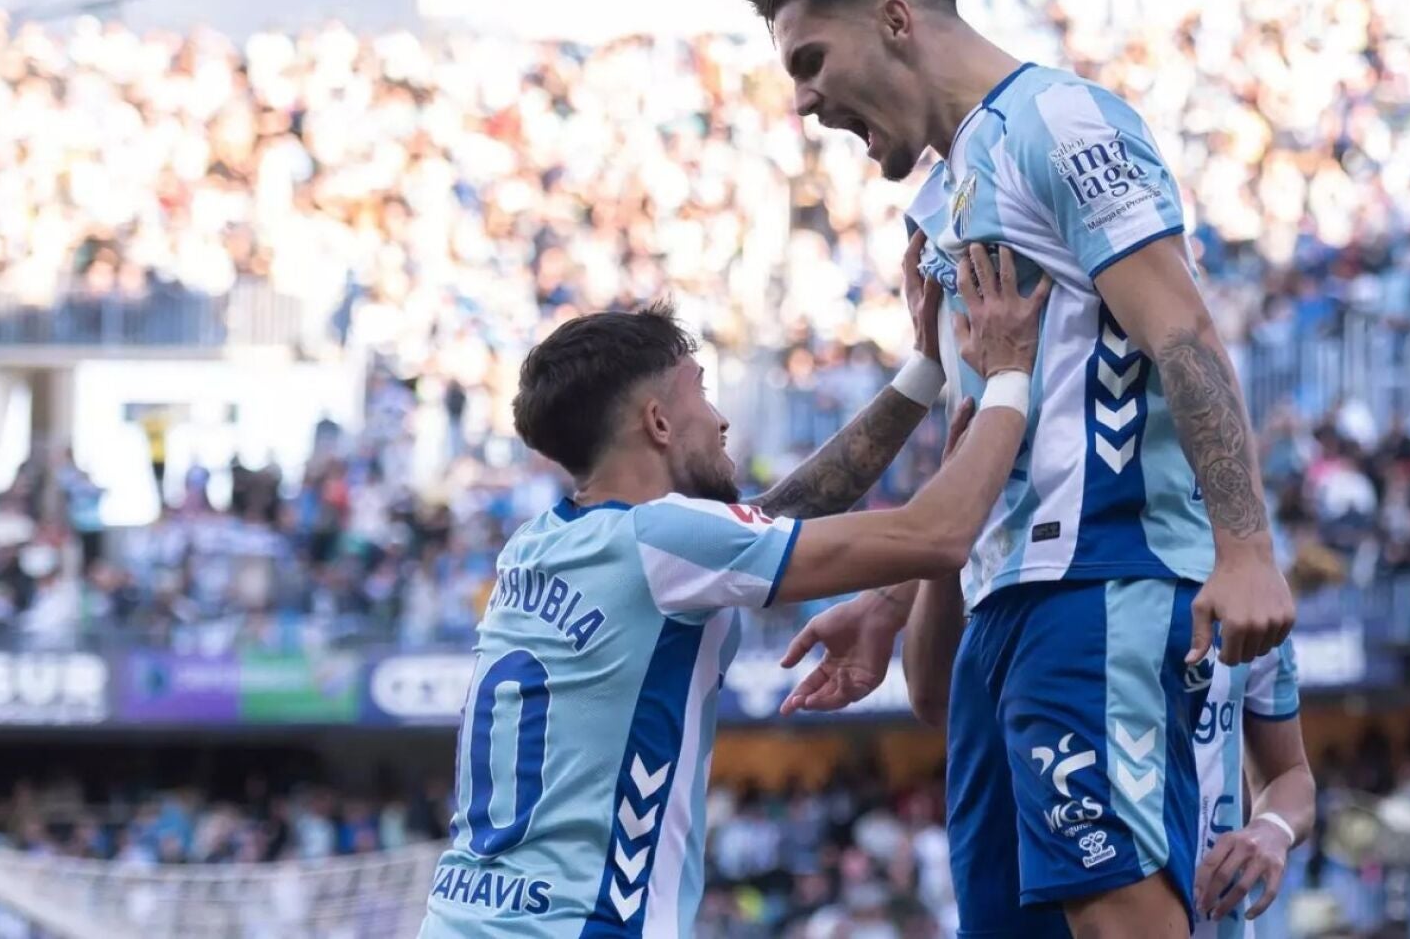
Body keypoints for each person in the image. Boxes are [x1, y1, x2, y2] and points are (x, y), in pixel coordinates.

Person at [743, 0, 1296, 937]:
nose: (805, 99)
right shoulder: (945, 198)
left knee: (1121, 919)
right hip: (1005, 604)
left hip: (1098, 583)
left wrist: (1248, 546)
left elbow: (1181, 331)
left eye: (811, 59)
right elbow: (987, 436)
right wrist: (898, 593)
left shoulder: (1062, 123)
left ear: (896, 20)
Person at [418, 243, 1050, 938]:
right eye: (702, 393)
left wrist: (926, 371)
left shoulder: (536, 545)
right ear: (659, 422)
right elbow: (941, 535)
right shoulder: (663, 541)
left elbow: (782, 513)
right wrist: (1009, 374)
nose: (721, 421)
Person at [900, 405, 1314, 939]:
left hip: (1201, 913)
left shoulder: (1248, 611)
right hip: (1067, 905)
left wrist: (1273, 828)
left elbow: (1290, 775)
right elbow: (932, 698)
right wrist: (953, 519)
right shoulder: (1038, 574)